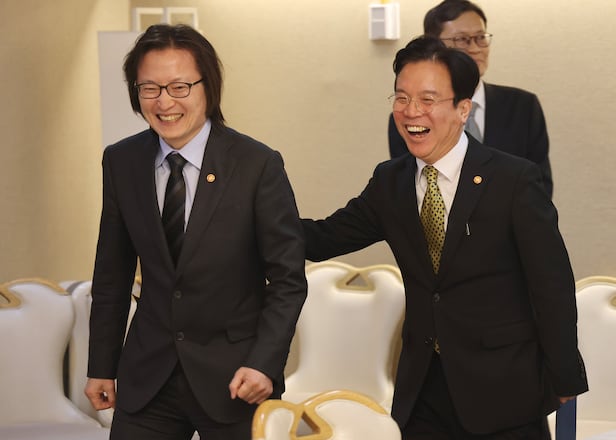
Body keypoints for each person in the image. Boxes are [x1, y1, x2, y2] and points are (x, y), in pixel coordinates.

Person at [302, 36, 587, 439]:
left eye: (427, 99)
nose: (411, 111)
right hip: (424, 391)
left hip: (504, 391)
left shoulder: (513, 180)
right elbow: (323, 238)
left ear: (462, 109)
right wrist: (251, 218)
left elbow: (551, 285)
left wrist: (565, 377)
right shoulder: (391, 181)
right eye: (402, 98)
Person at [84, 24, 307, 440]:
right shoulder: (121, 161)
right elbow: (112, 274)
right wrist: (101, 365)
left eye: (179, 86)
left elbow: (288, 280)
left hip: (237, 378)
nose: (164, 102)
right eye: (149, 88)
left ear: (209, 87)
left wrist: (264, 363)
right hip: (148, 376)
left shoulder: (257, 164)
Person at [388, 0, 553, 197]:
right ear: (434, 46)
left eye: (480, 38)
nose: (475, 48)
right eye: (462, 39)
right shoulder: (410, 118)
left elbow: (539, 188)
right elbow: (408, 191)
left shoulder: (523, 107)